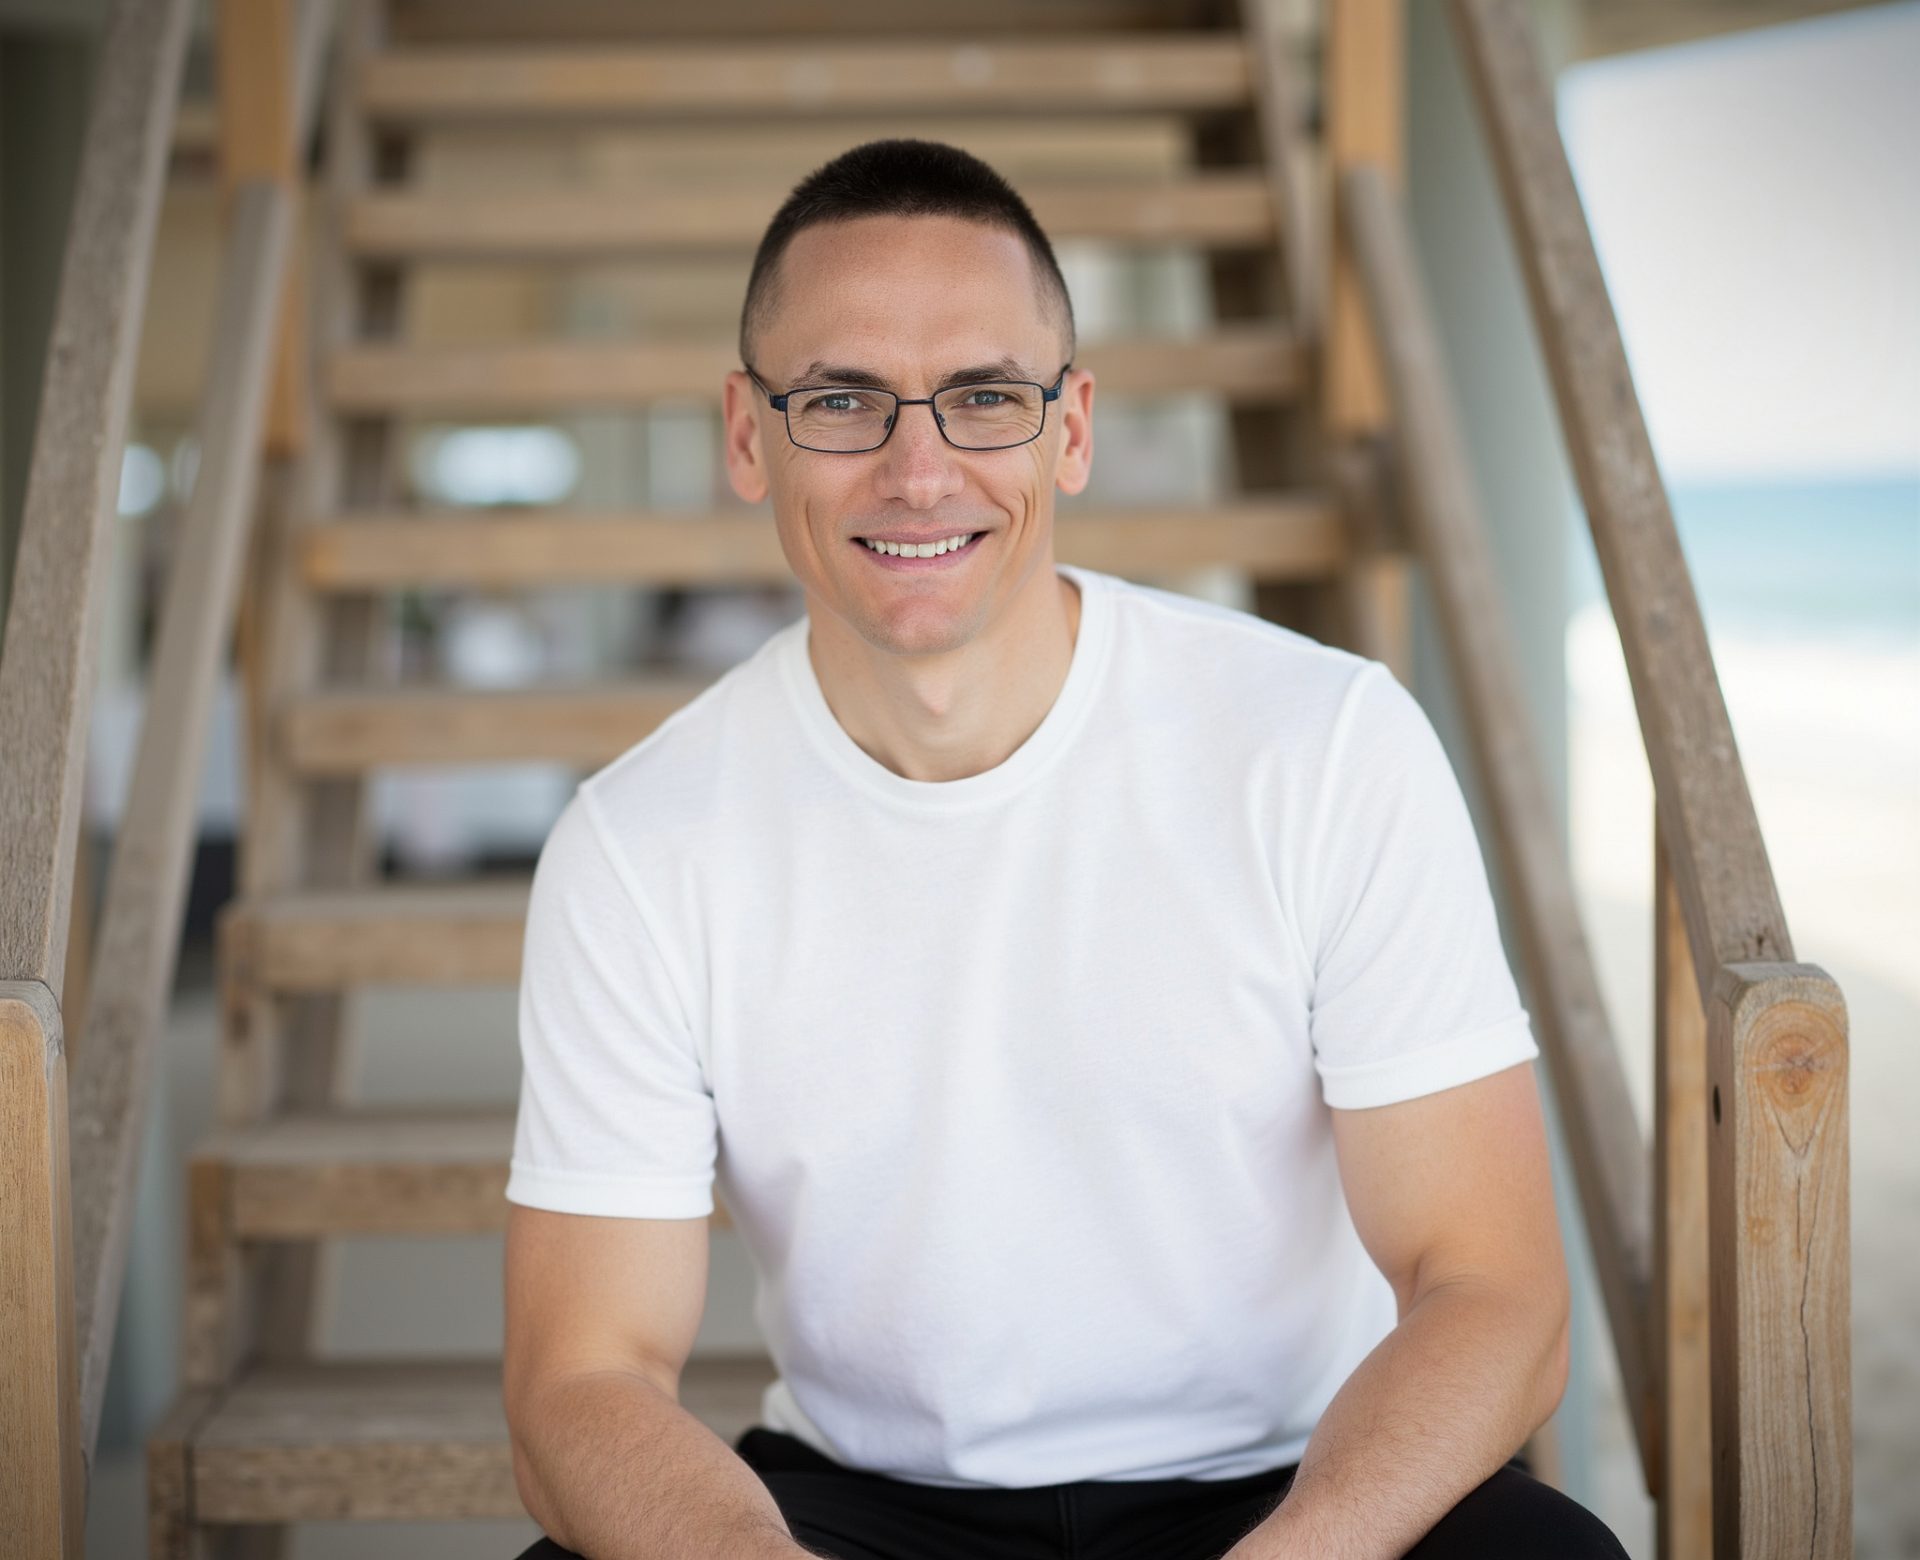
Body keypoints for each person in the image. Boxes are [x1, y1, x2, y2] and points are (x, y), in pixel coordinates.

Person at [502, 138, 1628, 1560]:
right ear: (748, 436)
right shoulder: (637, 843)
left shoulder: (1323, 741)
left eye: (984, 398)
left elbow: (1495, 1291)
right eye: (842, 400)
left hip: (1283, 1485)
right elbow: (579, 1378)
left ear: (1071, 428)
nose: (920, 471)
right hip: (861, 1504)